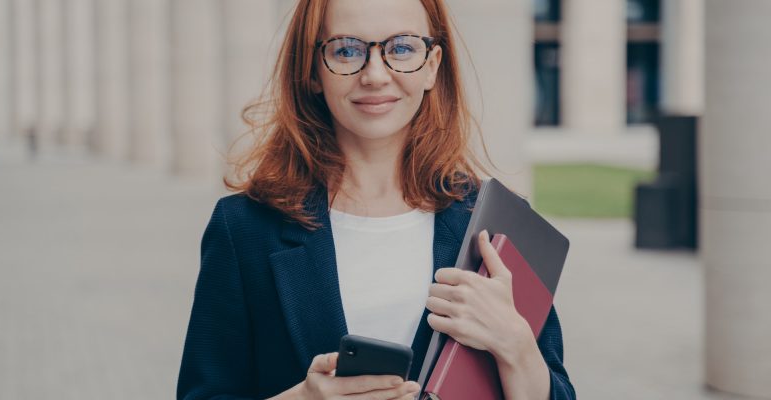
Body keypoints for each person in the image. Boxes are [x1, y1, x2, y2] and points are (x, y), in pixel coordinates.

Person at [177, 0, 575, 399]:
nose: (375, 75)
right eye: (346, 50)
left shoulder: (499, 224)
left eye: (401, 48)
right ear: (313, 71)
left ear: (432, 65)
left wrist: (518, 348)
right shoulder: (245, 228)